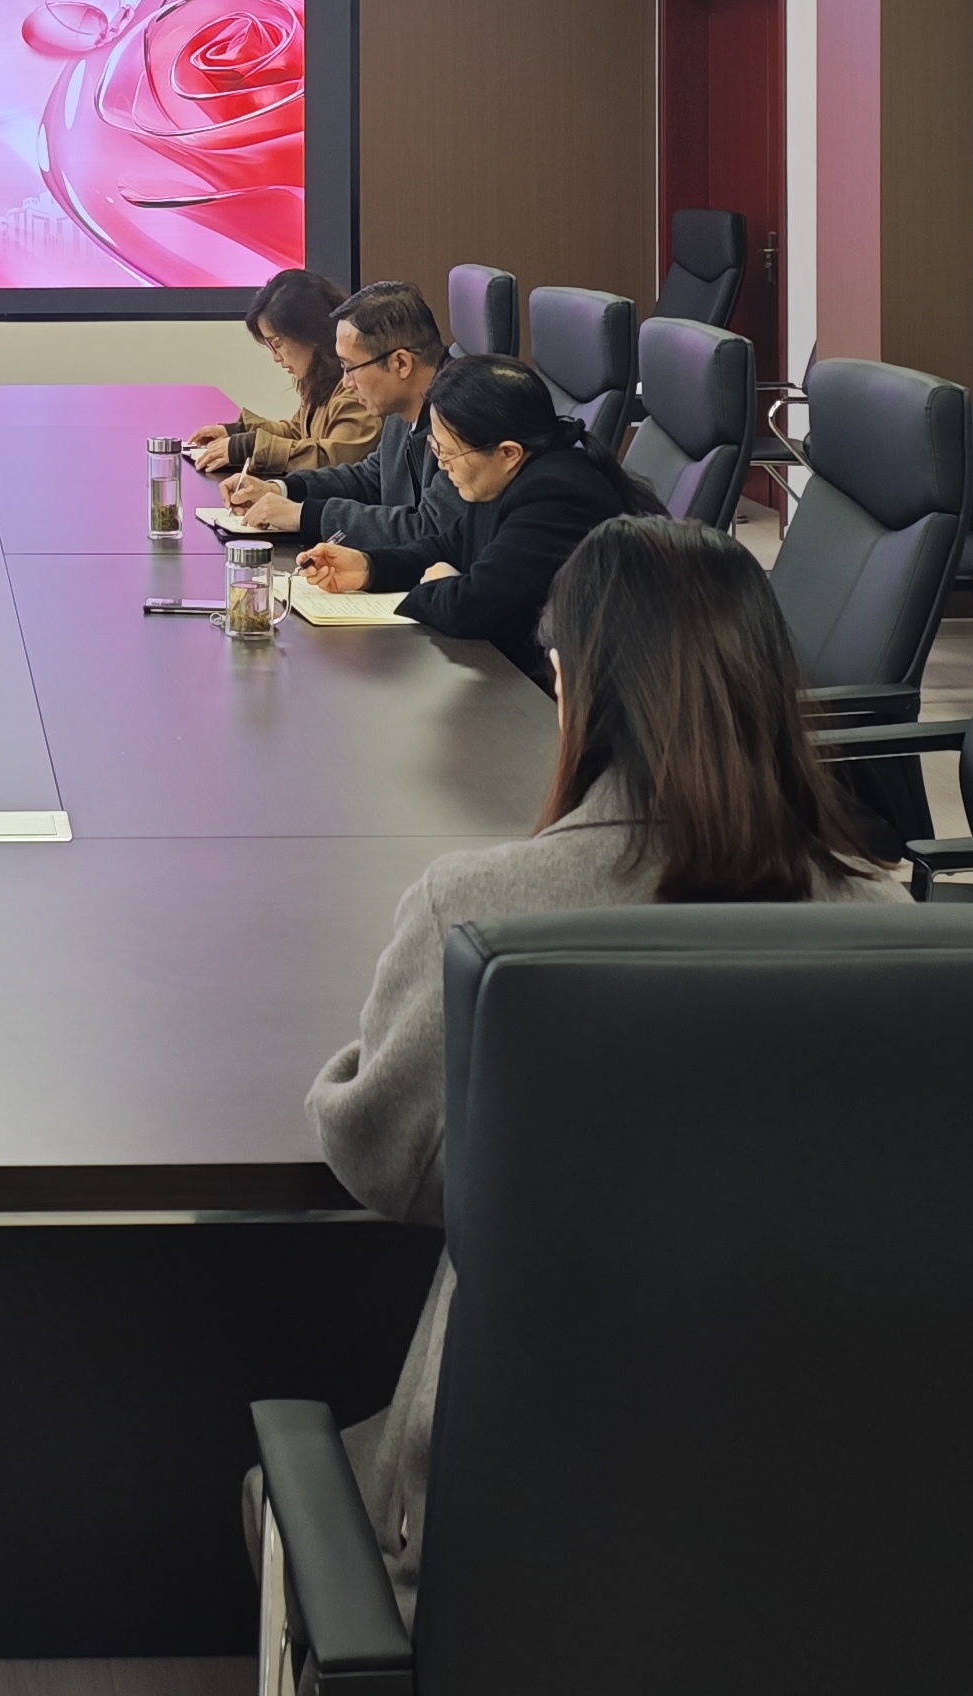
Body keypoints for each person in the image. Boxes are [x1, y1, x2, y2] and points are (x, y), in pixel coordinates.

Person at [302, 515, 894, 1608]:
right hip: (808, 1505)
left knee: (295, 1479)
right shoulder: (886, 919)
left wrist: (352, 1061)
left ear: (571, 685)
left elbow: (387, 1162)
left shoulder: (480, 906)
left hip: (510, 1509)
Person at [296, 354, 653, 685]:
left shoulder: (555, 496)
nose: (441, 465)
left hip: (552, 694)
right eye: (435, 448)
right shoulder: (503, 475)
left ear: (508, 453)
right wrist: (369, 567)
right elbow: (447, 546)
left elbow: (475, 608)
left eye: (448, 453)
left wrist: (438, 585)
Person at [222, 281, 455, 556]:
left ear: (401, 363)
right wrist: (281, 489)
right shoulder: (403, 405)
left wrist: (304, 515)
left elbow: (428, 530)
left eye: (350, 367)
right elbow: (369, 478)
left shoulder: (458, 421)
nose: (346, 383)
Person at [181, 266, 378, 480]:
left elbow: (332, 460)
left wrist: (250, 447)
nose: (276, 357)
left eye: (277, 343)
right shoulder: (322, 378)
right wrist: (238, 433)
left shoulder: (356, 387)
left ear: (310, 332)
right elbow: (298, 434)